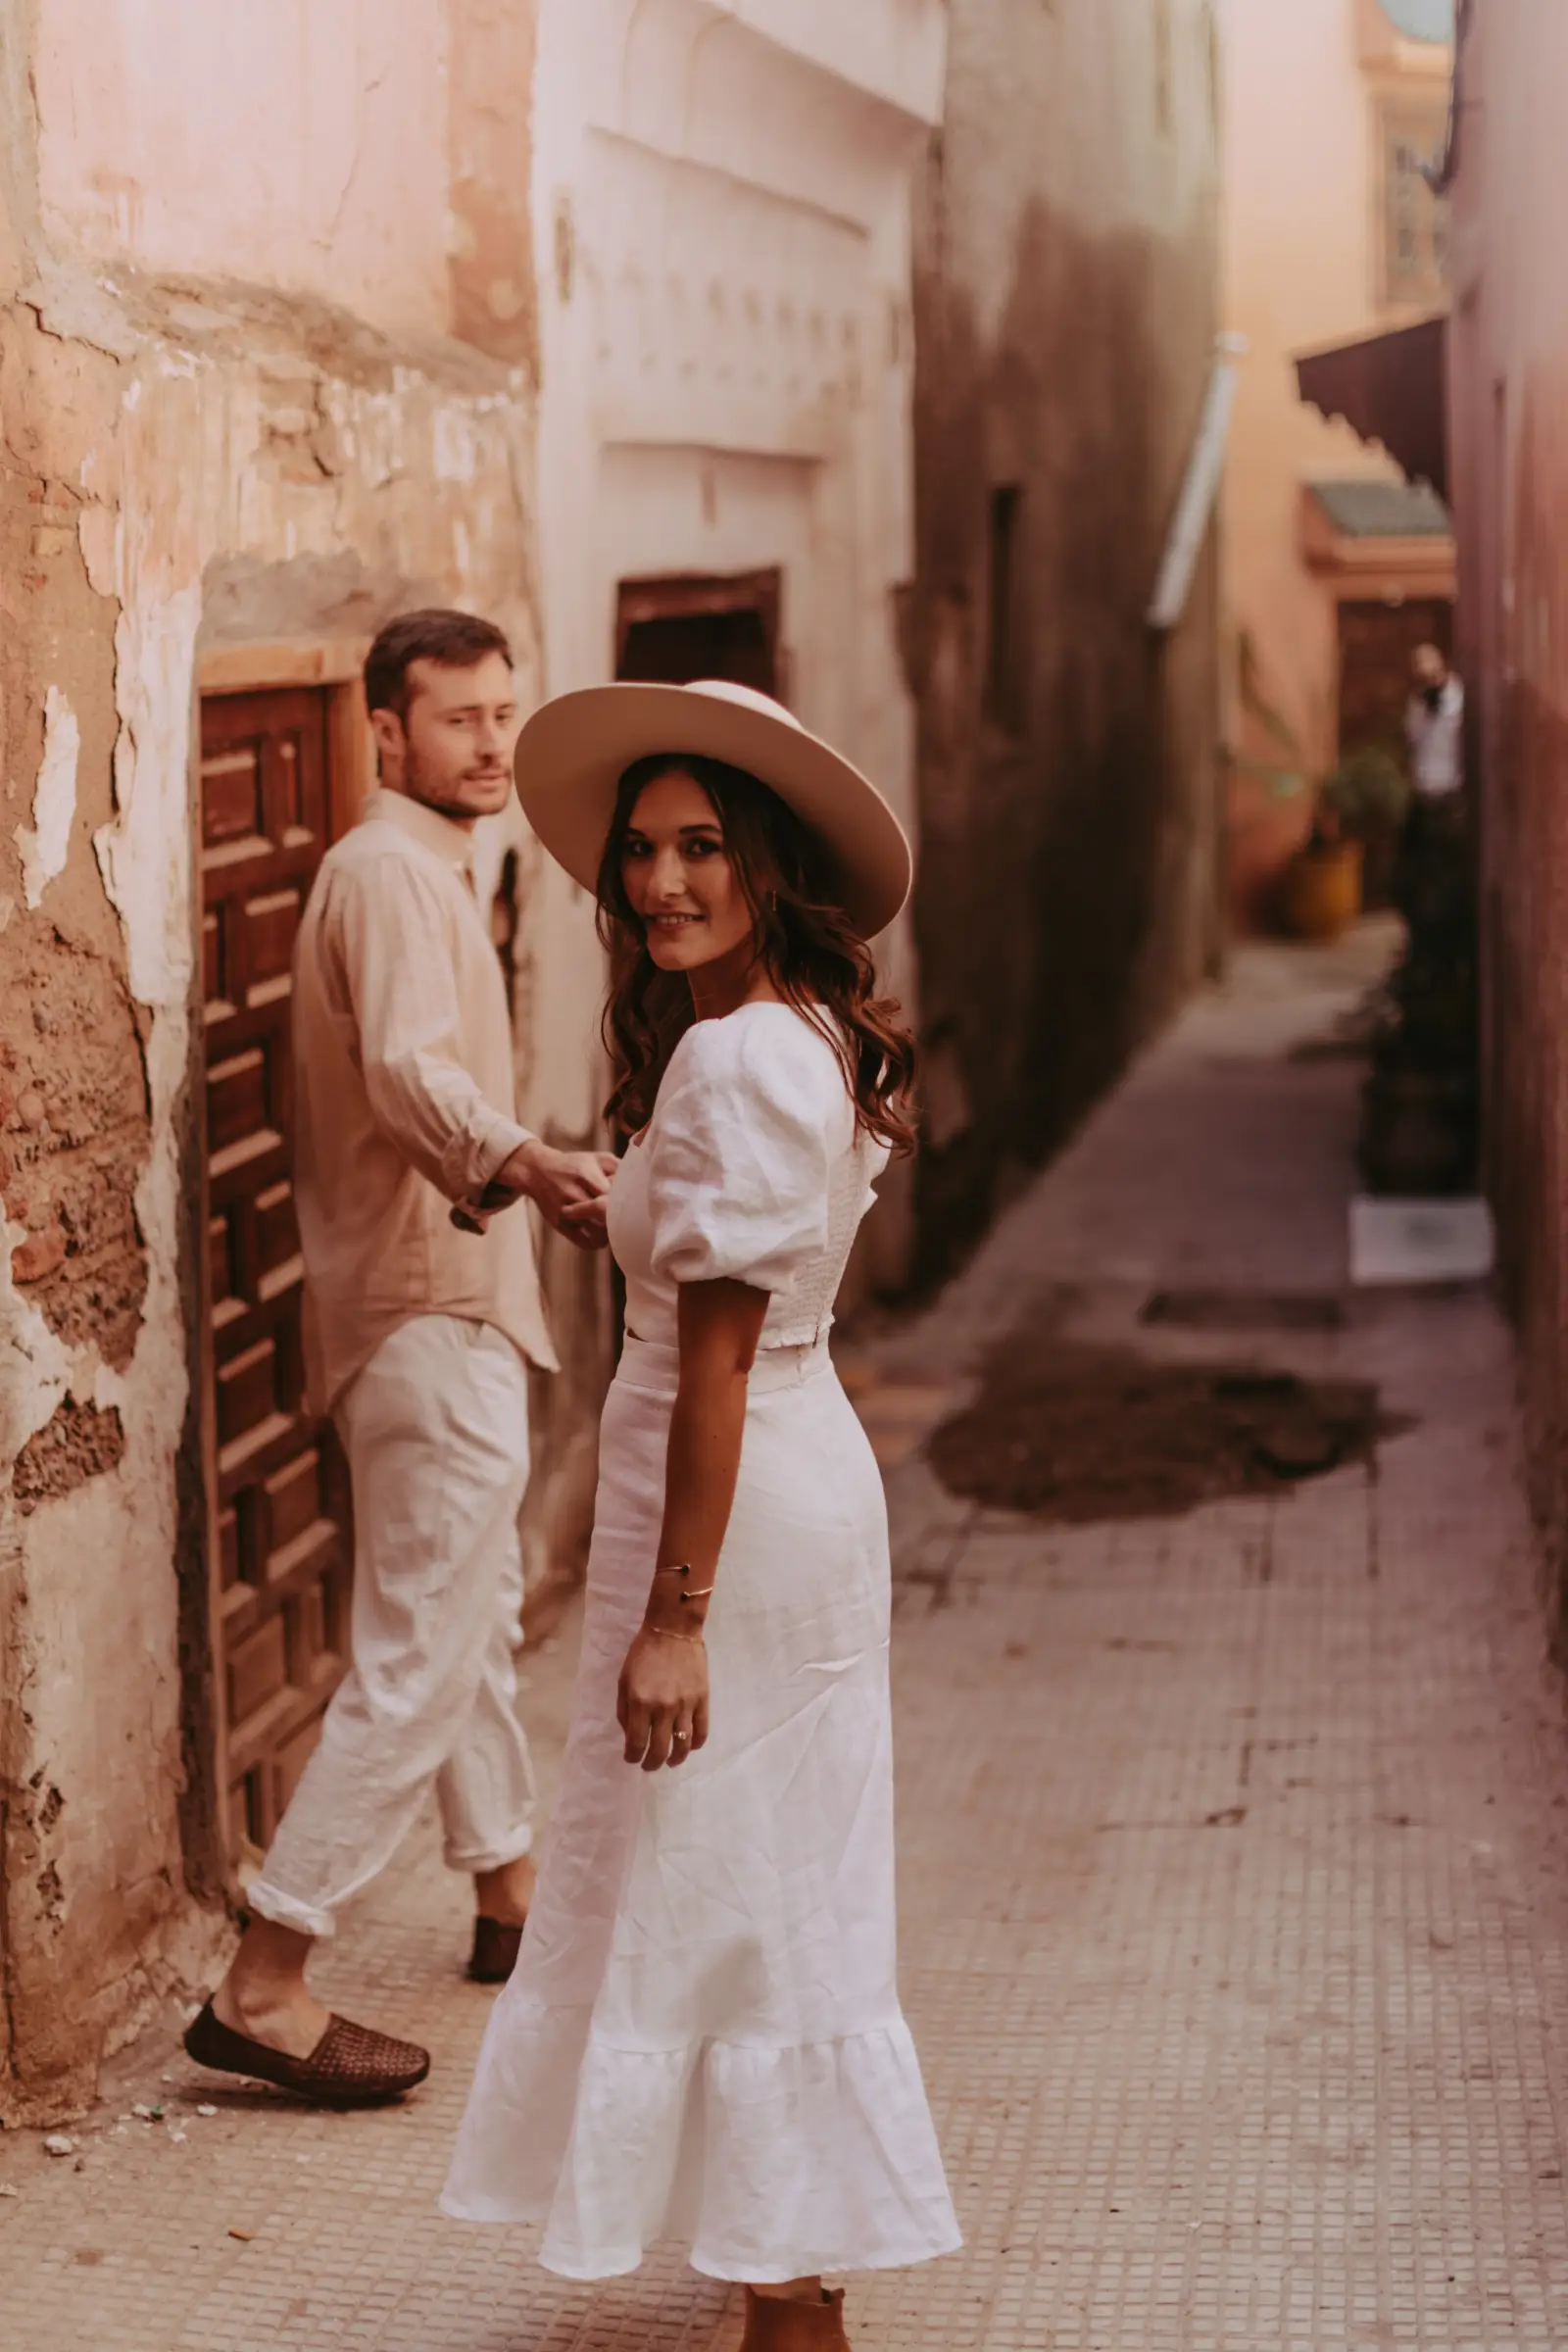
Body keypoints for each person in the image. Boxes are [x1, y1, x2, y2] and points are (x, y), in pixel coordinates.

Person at [442, 680, 960, 2349]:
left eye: (704, 849)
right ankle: (773, 2271)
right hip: (779, 1489)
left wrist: (677, 1613)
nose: (663, 882)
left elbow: (720, 1358)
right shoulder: (792, 1026)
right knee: (750, 1879)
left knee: (741, 1889)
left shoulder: (738, 1059)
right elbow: (739, 1275)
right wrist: (637, 1216)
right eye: (642, 851)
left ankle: (797, 2302)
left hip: (727, 1519)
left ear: (772, 867)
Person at [184, 610, 618, 2106]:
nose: (494, 742)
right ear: (385, 731)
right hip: (426, 1312)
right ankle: (270, 1974)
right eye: (459, 719)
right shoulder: (383, 872)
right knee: (424, 1643)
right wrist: (532, 1161)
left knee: (468, 1605)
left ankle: (507, 1893)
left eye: (506, 713)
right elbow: (407, 1074)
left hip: (447, 1308)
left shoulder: (435, 864)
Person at [1405, 642, 1464, 803]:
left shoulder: (1455, 695)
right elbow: (1412, 737)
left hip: (1449, 785)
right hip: (1423, 785)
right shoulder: (1417, 702)